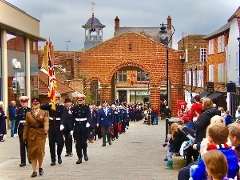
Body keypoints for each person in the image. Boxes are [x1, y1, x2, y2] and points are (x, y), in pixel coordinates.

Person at [23, 98, 49, 178]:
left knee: (40, 152)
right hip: (31, 135)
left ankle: (40, 167)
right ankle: (34, 171)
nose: (35, 105)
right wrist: (24, 136)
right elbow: (27, 125)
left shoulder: (44, 112)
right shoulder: (28, 114)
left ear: (39, 104)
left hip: (41, 134)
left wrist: (45, 130)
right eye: (34, 104)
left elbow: (46, 122)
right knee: (32, 153)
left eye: (37, 104)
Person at [40, 94, 66, 166]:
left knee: (60, 143)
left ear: (59, 99)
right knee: (52, 144)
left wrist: (62, 124)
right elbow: (41, 107)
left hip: (59, 126)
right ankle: (53, 159)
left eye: (57, 99)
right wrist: (50, 103)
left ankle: (59, 156)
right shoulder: (50, 106)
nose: (56, 101)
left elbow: (64, 116)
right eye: (55, 99)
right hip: (51, 127)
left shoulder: (62, 107)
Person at [72, 94, 91, 164]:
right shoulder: (74, 108)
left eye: (81, 100)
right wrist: (71, 128)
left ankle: (85, 152)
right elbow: (72, 118)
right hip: (77, 127)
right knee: (78, 144)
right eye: (78, 100)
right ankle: (79, 157)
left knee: (83, 142)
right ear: (77, 100)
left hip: (84, 127)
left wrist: (88, 122)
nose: (80, 101)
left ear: (83, 100)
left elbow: (89, 116)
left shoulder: (86, 107)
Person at [14, 96, 32, 167]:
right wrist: (15, 132)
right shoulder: (18, 111)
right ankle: (23, 161)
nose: (23, 104)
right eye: (22, 103)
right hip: (21, 129)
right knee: (22, 146)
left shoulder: (30, 110)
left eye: (25, 103)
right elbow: (16, 122)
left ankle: (30, 158)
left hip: (29, 129)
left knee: (29, 145)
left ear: (27, 103)